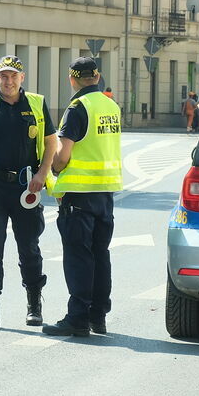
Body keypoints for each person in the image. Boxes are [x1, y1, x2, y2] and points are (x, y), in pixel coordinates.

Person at [0, 56, 57, 330]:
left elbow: (51, 143)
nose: (8, 81)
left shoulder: (37, 105)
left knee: (29, 247)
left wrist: (42, 174)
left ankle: (34, 305)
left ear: (22, 78)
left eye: (13, 76)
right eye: (3, 76)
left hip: (26, 187)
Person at [43, 56, 123, 337]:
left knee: (79, 257)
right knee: (101, 255)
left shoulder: (77, 108)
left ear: (72, 79)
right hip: (105, 194)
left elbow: (63, 156)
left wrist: (52, 167)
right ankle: (97, 316)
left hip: (79, 196)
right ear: (97, 77)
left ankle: (77, 318)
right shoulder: (111, 105)